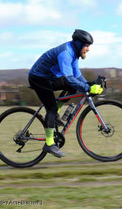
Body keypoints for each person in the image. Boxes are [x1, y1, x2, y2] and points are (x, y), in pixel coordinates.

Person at [28, 29, 103, 158]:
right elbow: (68, 78)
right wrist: (87, 87)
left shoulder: (74, 54)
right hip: (38, 78)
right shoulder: (66, 53)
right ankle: (49, 143)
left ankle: (55, 112)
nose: (88, 49)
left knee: (73, 86)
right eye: (86, 45)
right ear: (79, 44)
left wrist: (90, 85)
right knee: (50, 108)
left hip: (48, 78)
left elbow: (77, 77)